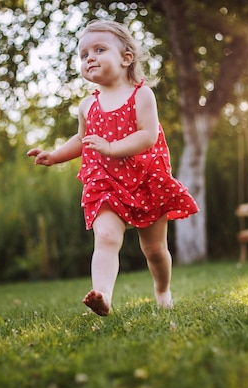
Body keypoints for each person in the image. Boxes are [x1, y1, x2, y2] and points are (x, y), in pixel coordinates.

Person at [27, 19, 198, 316]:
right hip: (105, 181)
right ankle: (102, 295)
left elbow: (148, 135)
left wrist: (111, 148)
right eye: (83, 54)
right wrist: (55, 155)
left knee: (154, 251)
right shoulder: (86, 105)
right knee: (106, 238)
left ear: (125, 58)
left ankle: (162, 291)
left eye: (99, 49)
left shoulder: (141, 95)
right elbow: (82, 139)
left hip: (146, 178)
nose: (89, 57)